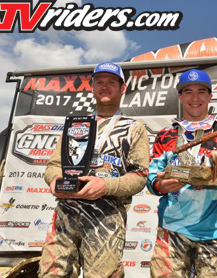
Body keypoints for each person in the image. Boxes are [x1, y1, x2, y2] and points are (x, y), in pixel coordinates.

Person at [39, 62, 150, 278]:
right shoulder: (75, 124)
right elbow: (53, 166)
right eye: (99, 82)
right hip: (66, 211)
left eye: (111, 82)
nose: (105, 86)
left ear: (123, 88)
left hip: (107, 215)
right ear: (92, 87)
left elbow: (139, 176)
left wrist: (105, 185)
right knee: (51, 274)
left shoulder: (134, 127)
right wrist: (55, 179)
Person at [147, 69, 217, 278]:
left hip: (216, 230)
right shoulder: (165, 135)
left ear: (210, 96)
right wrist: (162, 186)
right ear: (180, 97)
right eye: (187, 92)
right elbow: (152, 178)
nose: (195, 98)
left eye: (201, 91)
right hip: (172, 230)